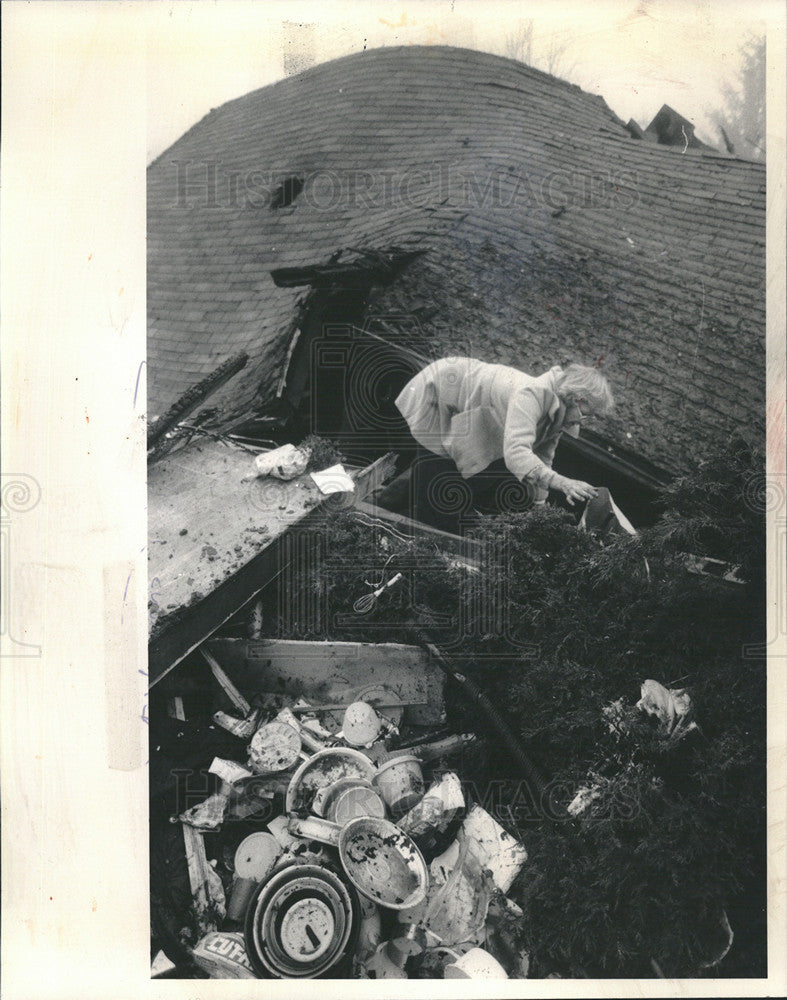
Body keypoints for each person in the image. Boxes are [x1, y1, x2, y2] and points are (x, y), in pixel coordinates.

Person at [389, 356, 614, 531]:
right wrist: (563, 483)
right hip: (445, 390)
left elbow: (544, 458)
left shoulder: (558, 413)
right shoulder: (532, 394)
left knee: (439, 474)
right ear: (578, 398)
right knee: (435, 483)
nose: (586, 421)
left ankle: (385, 503)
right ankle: (385, 513)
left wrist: (539, 508)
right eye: (588, 414)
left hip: (470, 412)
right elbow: (516, 453)